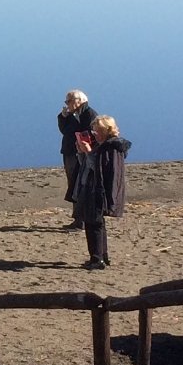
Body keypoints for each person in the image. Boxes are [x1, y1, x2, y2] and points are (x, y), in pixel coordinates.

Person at [74, 115, 131, 270]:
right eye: (93, 131)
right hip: (93, 187)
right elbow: (89, 164)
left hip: (98, 190)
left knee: (94, 224)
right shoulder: (104, 146)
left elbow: (99, 168)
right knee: (95, 223)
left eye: (97, 131)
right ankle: (102, 256)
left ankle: (97, 258)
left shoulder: (111, 147)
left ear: (106, 130)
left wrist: (88, 151)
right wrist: (82, 152)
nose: (94, 134)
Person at [57, 91, 99, 227]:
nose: (67, 104)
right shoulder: (74, 114)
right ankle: (78, 219)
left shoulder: (88, 114)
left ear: (78, 100)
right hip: (71, 152)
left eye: (68, 101)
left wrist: (85, 151)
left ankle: (81, 219)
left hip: (82, 155)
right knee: (74, 185)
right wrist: (63, 117)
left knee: (79, 185)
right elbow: (66, 131)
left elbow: (90, 134)